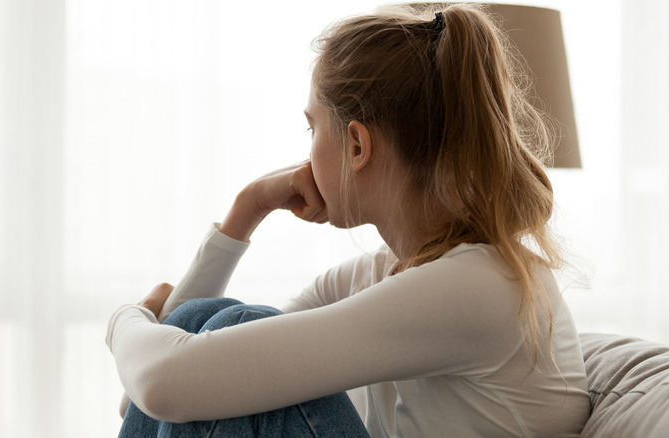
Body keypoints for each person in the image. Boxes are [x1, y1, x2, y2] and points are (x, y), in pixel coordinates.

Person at [106, 4, 590, 437]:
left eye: (313, 127)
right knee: (213, 325)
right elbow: (157, 390)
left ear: (357, 146)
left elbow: (162, 382)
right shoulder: (385, 273)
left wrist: (125, 321)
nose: (307, 149)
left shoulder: (477, 285)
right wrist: (247, 208)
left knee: (237, 324)